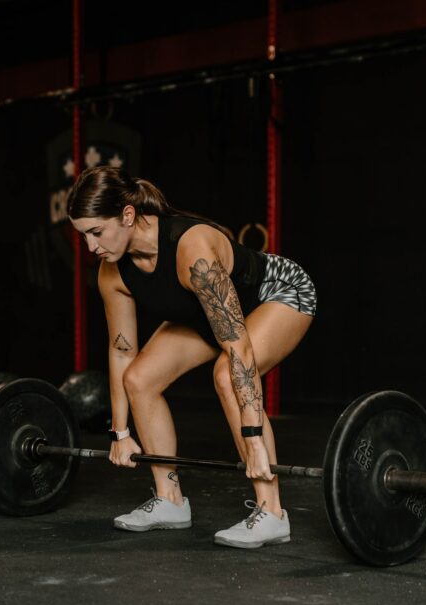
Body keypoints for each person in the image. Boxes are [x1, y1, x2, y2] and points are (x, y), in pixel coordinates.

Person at [67, 165, 316, 548]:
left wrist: (253, 439)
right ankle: (170, 500)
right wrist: (120, 432)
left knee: (225, 375)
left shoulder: (192, 249)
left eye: (97, 232)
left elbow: (238, 348)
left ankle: (272, 511)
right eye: (84, 235)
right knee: (140, 378)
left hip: (278, 294)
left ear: (128, 215)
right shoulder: (111, 274)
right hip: (208, 317)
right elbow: (121, 352)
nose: (91, 246)